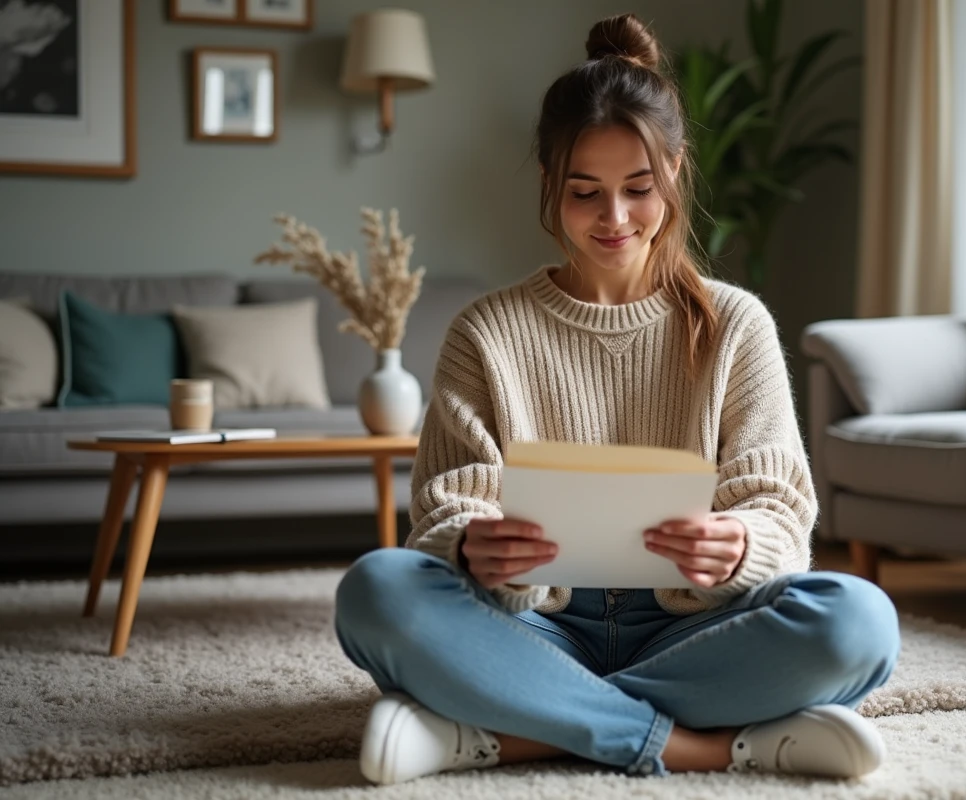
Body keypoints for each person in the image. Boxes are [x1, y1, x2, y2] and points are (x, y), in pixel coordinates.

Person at [334, 13, 900, 785]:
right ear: (549, 186)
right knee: (376, 592)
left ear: (674, 170)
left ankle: (499, 729)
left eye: (639, 189)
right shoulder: (486, 332)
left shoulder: (736, 325)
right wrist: (473, 546)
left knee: (860, 622)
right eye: (585, 192)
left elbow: (778, 507)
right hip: (531, 621)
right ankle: (719, 744)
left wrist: (739, 543)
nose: (614, 219)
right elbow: (444, 509)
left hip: (695, 625)